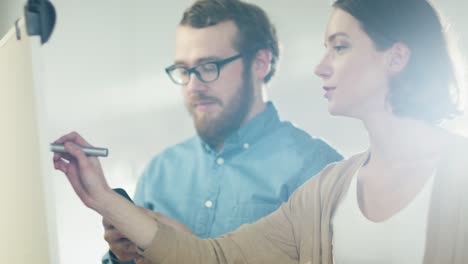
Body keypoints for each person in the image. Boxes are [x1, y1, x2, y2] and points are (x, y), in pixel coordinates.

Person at [53, 0, 468, 263]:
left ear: (396, 57)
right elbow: (213, 257)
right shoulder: (329, 189)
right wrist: (105, 201)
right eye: (184, 70)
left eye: (339, 46)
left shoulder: (315, 167)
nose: (321, 66)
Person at [96, 0, 341, 263]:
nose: (193, 86)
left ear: (260, 63)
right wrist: (121, 256)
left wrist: (188, 249)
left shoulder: (319, 170)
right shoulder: (160, 172)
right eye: (184, 70)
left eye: (208, 67)